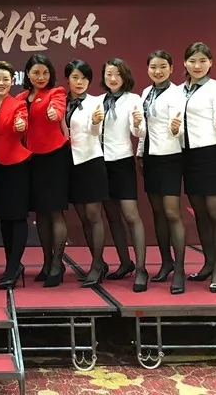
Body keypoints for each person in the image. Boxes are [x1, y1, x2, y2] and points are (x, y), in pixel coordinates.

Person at [174, 42, 216, 294]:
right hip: (188, 155)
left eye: (202, 61)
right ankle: (208, 263)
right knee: (200, 212)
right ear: (185, 63)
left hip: (213, 153)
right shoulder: (177, 91)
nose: (197, 66)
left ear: (210, 63)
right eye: (192, 61)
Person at [17, 54, 70, 288]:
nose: (41, 77)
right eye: (36, 72)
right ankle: (47, 262)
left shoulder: (56, 92)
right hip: (31, 159)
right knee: (41, 213)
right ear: (28, 74)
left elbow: (57, 110)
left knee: (55, 211)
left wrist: (54, 114)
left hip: (54, 157)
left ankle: (58, 263)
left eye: (45, 73)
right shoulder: (20, 97)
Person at [136, 50, 186, 295]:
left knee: (172, 212)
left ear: (171, 68)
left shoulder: (177, 93)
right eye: (153, 67)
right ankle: (166, 262)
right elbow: (142, 127)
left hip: (170, 156)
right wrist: (139, 153)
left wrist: (176, 129)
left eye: (163, 67)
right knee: (157, 213)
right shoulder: (146, 92)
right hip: (150, 157)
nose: (158, 71)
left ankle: (180, 269)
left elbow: (180, 127)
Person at [99, 58, 148, 292]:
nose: (112, 78)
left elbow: (139, 132)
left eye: (117, 74)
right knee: (112, 216)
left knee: (130, 214)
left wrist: (138, 124)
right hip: (101, 163)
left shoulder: (133, 99)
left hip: (122, 161)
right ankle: (125, 262)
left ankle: (141, 268)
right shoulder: (99, 101)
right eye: (109, 74)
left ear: (125, 76)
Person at [63, 59, 108, 288]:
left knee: (93, 215)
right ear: (67, 79)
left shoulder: (96, 102)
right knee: (83, 217)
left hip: (91, 161)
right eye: (75, 77)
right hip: (70, 163)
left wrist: (96, 122)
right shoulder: (61, 102)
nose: (80, 82)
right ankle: (99, 262)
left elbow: (94, 130)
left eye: (84, 78)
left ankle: (97, 265)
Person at [0, 60, 30, 289]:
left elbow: (21, 124)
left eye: (5, 79)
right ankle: (12, 264)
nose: (1, 83)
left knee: (17, 216)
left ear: (12, 81)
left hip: (16, 165)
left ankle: (13, 267)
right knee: (4, 217)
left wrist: (20, 125)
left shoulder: (18, 104)